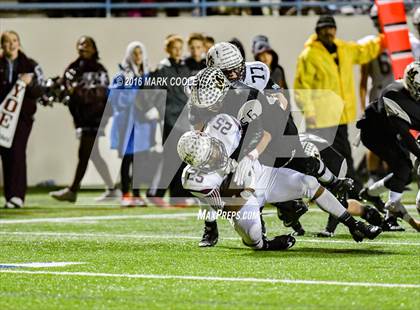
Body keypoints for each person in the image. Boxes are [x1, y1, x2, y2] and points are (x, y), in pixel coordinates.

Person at [186, 67, 382, 246]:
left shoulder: (245, 97)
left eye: (211, 101)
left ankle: (354, 224)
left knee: (309, 182)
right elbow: (214, 197)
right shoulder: (196, 157)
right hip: (237, 193)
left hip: (259, 170)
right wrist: (229, 200)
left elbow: (266, 131)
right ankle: (264, 243)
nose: (208, 107)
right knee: (253, 236)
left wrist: (249, 156)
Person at [294, 15, 383, 198]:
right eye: (325, 28)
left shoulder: (344, 49)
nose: (329, 31)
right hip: (321, 117)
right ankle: (350, 190)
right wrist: (309, 112)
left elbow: (364, 51)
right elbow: (302, 87)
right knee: (329, 158)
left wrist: (384, 38)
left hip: (339, 115)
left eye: (331, 28)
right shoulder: (309, 55)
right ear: (318, 31)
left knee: (342, 157)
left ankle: (348, 190)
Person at [50, 36, 119, 203]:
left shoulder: (99, 69)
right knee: (93, 155)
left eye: (87, 45)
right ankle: (113, 188)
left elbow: (100, 94)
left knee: (84, 153)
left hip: (96, 118)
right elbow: (65, 90)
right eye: (81, 44)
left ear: (94, 49)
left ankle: (73, 190)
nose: (84, 47)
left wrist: (77, 93)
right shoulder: (72, 68)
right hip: (80, 118)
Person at [357, 61, 420, 232]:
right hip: (375, 133)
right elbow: (405, 135)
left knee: (404, 175)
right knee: (403, 167)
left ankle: (370, 193)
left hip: (392, 132)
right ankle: (390, 216)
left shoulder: (411, 96)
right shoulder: (393, 94)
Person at [109, 41, 160, 207]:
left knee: (140, 160)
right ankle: (126, 194)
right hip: (127, 125)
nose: (138, 56)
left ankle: (137, 194)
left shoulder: (148, 74)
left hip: (142, 125)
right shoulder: (122, 75)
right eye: (135, 53)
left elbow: (152, 96)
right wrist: (130, 89)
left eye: (140, 53)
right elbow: (114, 98)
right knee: (126, 159)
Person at [0, 30, 44, 208]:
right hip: (2, 117)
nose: (12, 44)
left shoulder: (31, 65)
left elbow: (41, 90)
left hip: (22, 118)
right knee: (5, 154)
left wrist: (29, 83)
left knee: (17, 152)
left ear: (19, 43)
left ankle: (18, 196)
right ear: (2, 45)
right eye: (7, 41)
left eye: (15, 40)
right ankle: (9, 196)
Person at [147, 35, 192, 207]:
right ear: (167, 50)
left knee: (181, 158)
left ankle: (177, 196)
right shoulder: (162, 68)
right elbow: (154, 92)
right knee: (169, 158)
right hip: (170, 119)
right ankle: (154, 192)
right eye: (174, 48)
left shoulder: (184, 67)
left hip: (184, 120)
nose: (178, 51)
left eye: (180, 48)